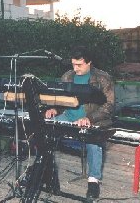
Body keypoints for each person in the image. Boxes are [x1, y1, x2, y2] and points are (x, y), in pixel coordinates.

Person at [44, 46, 115, 200]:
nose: (75, 69)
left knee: (94, 141)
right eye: (73, 64)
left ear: (89, 62)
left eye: (79, 65)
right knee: (45, 130)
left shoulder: (103, 78)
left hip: (93, 119)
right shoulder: (67, 76)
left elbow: (109, 105)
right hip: (68, 117)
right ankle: (45, 171)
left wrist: (89, 119)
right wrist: (54, 108)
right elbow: (60, 97)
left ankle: (93, 182)